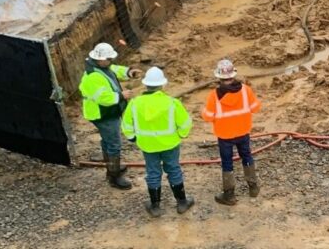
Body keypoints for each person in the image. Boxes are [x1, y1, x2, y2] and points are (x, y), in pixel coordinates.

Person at [122, 67, 194, 217]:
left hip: (148, 146)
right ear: (162, 85)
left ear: (146, 84)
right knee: (174, 170)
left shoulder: (135, 103)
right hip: (170, 144)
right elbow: (185, 123)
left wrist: (133, 138)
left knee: (153, 173)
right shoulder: (172, 103)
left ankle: (155, 206)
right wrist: (181, 135)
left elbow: (126, 124)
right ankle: (182, 203)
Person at [79, 42, 141, 191]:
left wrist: (128, 72)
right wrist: (121, 95)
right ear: (100, 59)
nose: (110, 62)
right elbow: (104, 98)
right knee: (114, 143)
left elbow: (113, 70)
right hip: (103, 114)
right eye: (108, 59)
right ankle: (114, 176)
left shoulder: (100, 67)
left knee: (108, 141)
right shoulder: (93, 76)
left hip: (106, 113)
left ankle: (111, 166)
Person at [201, 59, 262, 206]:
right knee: (246, 156)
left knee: (227, 163)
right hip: (243, 132)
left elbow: (208, 117)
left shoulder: (214, 95)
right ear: (233, 75)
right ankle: (253, 187)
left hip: (224, 135)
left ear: (219, 77)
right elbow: (256, 108)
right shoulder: (246, 90)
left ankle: (229, 195)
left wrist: (203, 111)